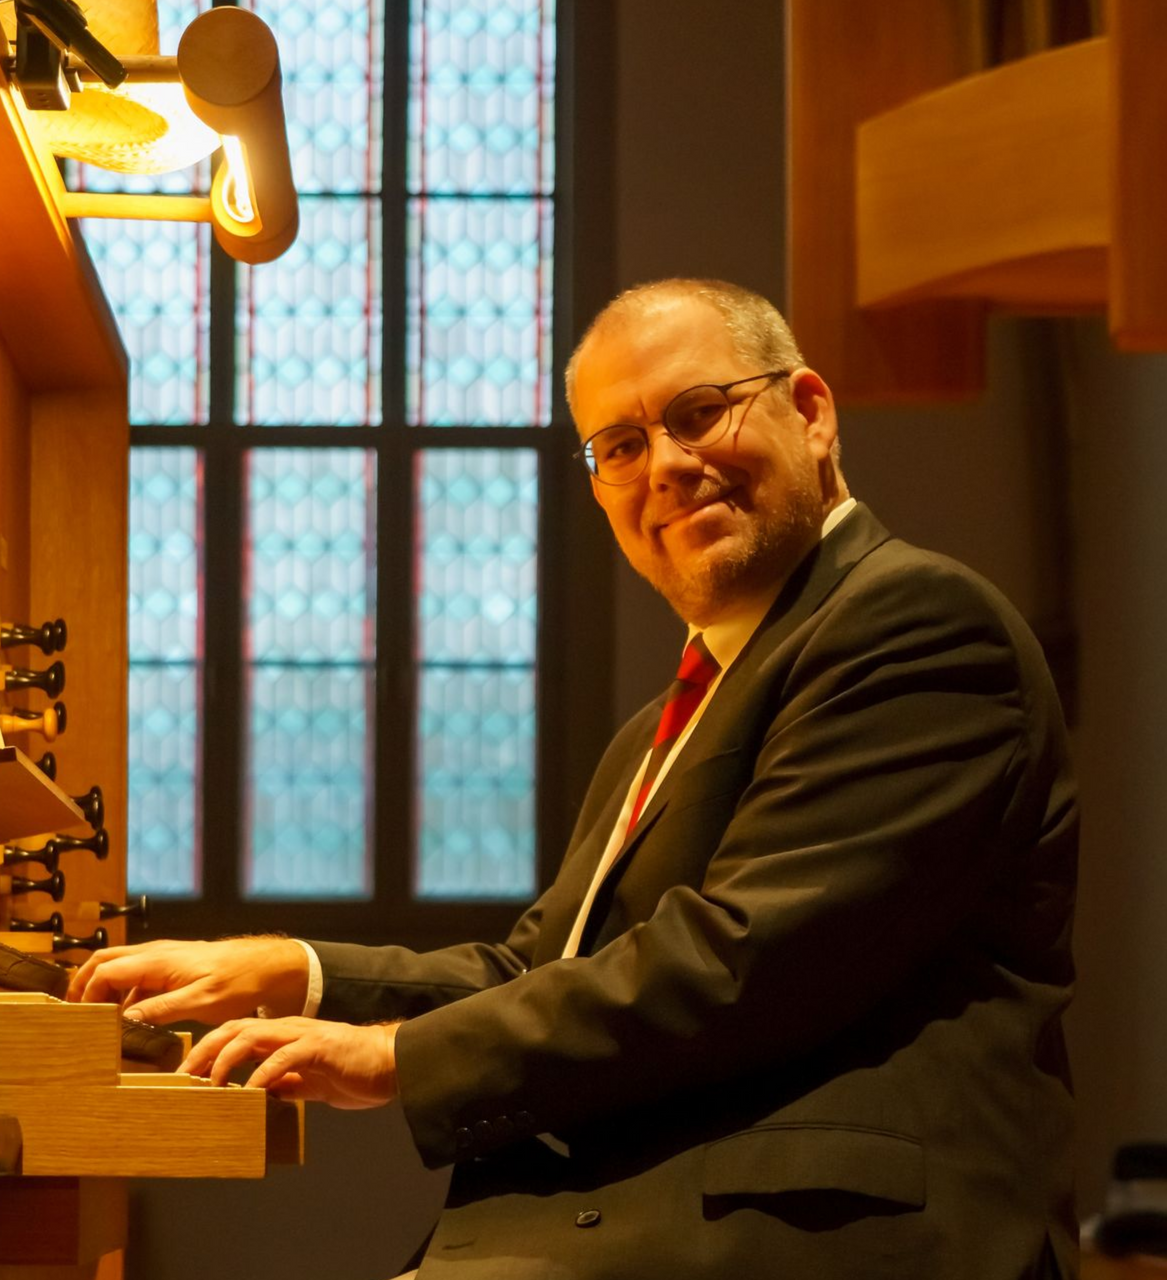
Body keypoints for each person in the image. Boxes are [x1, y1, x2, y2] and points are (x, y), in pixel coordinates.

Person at [69, 279, 1080, 1280]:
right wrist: (296, 971)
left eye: (698, 413)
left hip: (816, 1244)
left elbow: (739, 961)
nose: (667, 467)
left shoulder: (912, 623)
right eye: (622, 446)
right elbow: (542, 966)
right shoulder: (668, 721)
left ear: (810, 411)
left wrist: (395, 1057)